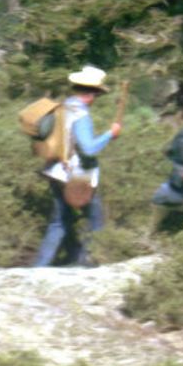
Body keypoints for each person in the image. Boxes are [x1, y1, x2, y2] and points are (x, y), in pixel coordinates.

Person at [33, 66, 120, 268]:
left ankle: (39, 268)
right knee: (95, 221)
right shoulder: (81, 114)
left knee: (59, 222)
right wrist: (110, 134)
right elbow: (88, 148)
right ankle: (89, 266)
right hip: (77, 175)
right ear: (92, 93)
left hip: (55, 170)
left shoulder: (63, 107)